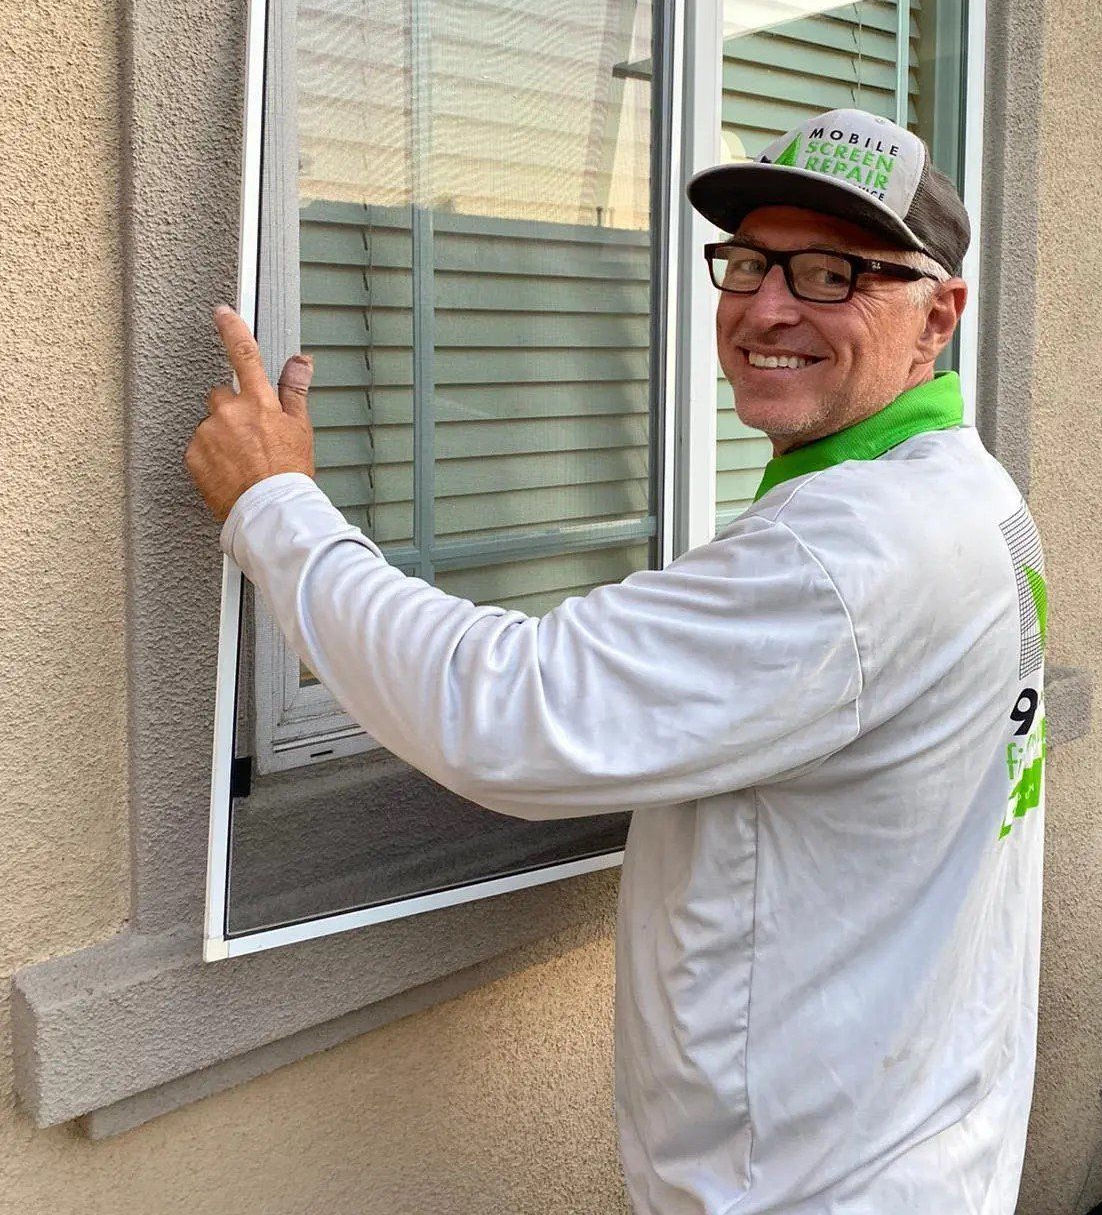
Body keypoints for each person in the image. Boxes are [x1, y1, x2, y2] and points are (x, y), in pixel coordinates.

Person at [187, 106, 1045, 1215]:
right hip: (921, 1141)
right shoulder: (969, 495)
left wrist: (273, 505)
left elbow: (512, 712)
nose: (767, 306)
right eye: (749, 261)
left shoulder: (851, 557)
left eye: (835, 273)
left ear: (940, 318)